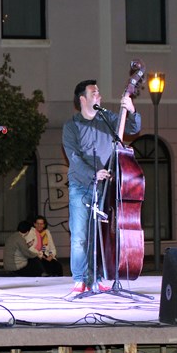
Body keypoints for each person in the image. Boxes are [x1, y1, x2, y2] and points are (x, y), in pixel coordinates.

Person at [62, 79, 141, 295]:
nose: (99, 95)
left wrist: (131, 109)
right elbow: (74, 158)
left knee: (99, 235)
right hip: (81, 185)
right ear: (82, 99)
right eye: (94, 92)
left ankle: (96, 277)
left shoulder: (107, 118)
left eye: (99, 92)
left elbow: (133, 127)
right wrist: (93, 173)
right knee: (80, 235)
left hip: (104, 188)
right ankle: (79, 279)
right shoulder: (71, 126)